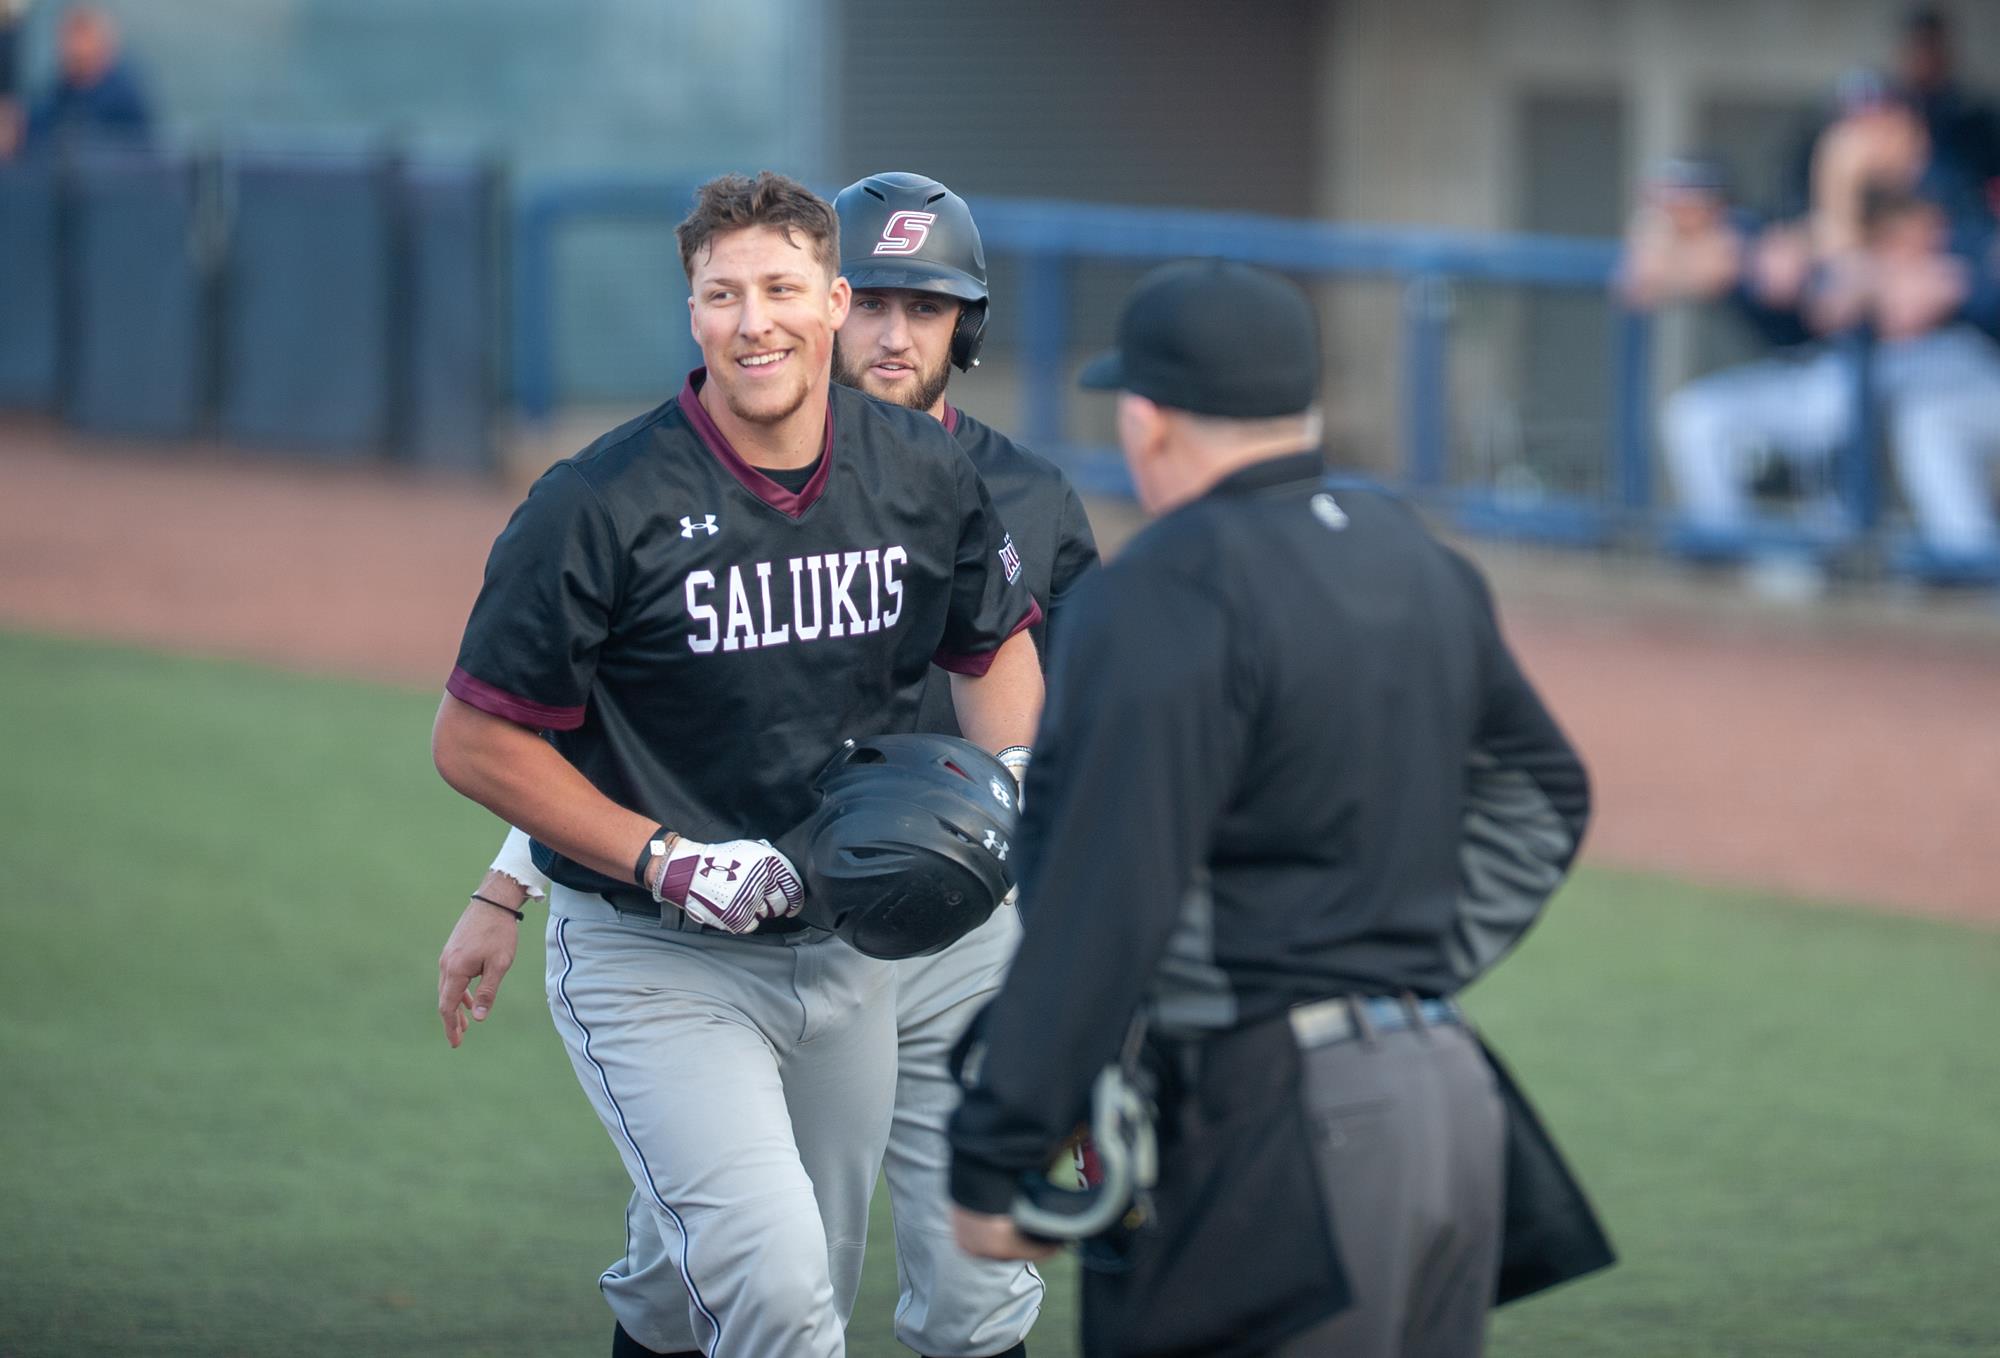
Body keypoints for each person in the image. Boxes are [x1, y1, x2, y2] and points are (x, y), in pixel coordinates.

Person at [451, 170, 1098, 1358]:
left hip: (874, 933)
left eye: (784, 290)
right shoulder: (599, 499)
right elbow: (505, 732)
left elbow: (999, 654)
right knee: (777, 1290)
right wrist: (626, 864)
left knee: (852, 1282)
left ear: (825, 301)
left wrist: (1010, 788)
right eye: (724, 294)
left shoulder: (941, 473)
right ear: (693, 311)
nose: (756, 320)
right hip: (667, 943)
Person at [946, 260, 1606, 1357]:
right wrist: (1388, 965)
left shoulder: (1158, 589)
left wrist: (995, 1144)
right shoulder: (1417, 558)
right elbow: (1545, 791)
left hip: (1278, 1134)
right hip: (1450, 1100)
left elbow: (1104, 894)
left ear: (1149, 421)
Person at [19, 5, 150, 157]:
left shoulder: (124, 97)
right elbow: (36, 135)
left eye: (84, 36)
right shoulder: (55, 93)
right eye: (68, 37)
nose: (75, 47)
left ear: (105, 46)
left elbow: (141, 153)